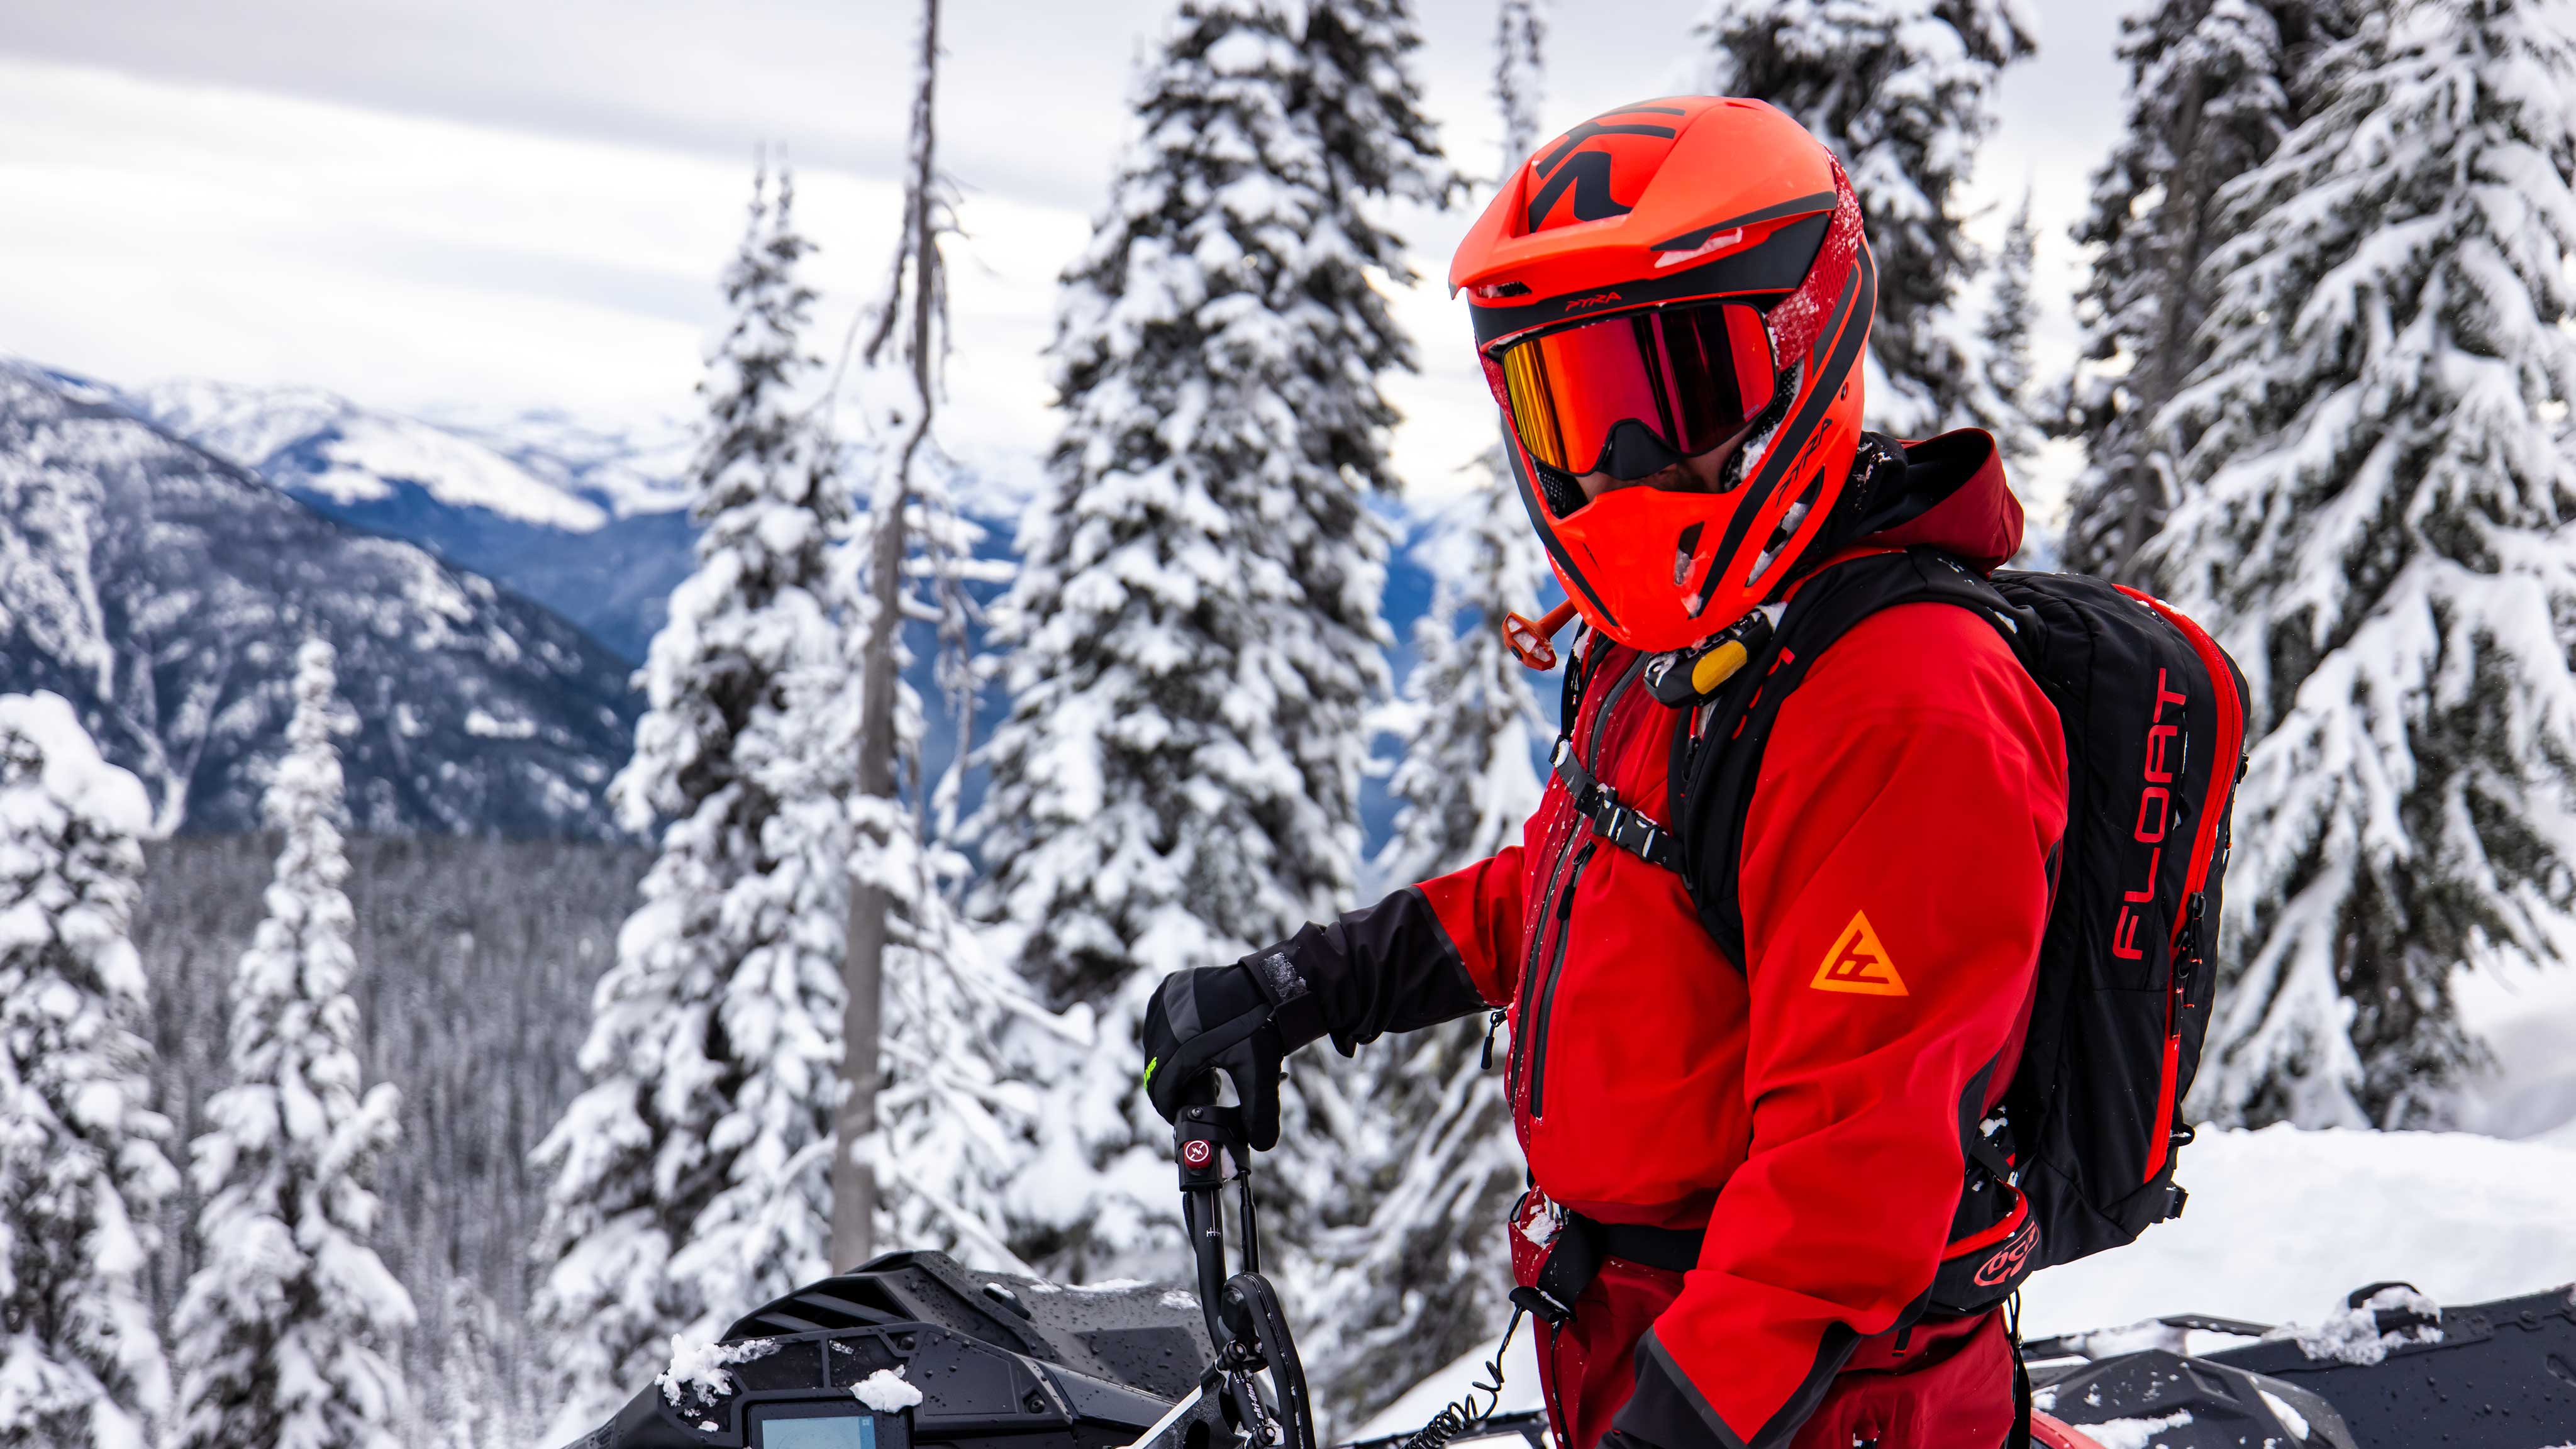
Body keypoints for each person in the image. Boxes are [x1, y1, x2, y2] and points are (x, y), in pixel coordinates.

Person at [1141, 98, 2067, 1449]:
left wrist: (1679, 1424)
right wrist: (1316, 982)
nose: (1625, 465)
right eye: (1573, 407)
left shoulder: (1900, 706)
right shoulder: (1702, 643)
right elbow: (1592, 889)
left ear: (1801, 340)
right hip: (1655, 1357)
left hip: (1817, 1411)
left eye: (1672, 392)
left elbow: (1848, 1177)